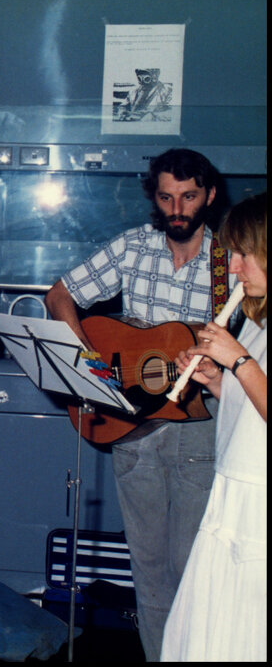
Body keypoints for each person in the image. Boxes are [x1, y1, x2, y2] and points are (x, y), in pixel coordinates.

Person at [44, 148, 231, 662]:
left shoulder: (229, 262)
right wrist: (88, 361)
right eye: (167, 198)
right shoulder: (132, 247)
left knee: (192, 569)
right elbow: (59, 296)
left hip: (199, 427)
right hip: (130, 428)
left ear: (210, 196)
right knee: (148, 572)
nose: (177, 209)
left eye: (188, 197)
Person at [161, 193, 266, 661]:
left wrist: (238, 360)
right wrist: (217, 381)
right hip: (232, 491)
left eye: (245, 254)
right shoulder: (258, 319)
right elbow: (252, 408)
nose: (234, 268)